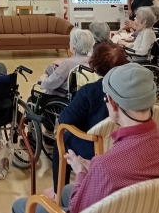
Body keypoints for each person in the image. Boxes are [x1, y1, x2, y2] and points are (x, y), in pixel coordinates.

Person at [12, 63, 159, 213]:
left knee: (21, 205)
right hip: (147, 206)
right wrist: (93, 169)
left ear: (112, 102)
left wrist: (81, 172)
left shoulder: (105, 165)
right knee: (66, 191)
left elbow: (77, 208)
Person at [44, 42, 129, 201]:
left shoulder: (89, 91)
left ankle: (58, 192)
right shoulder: (130, 90)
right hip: (123, 143)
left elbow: (65, 119)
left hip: (94, 146)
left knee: (60, 140)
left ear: (96, 66)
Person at [40, 29, 95, 95]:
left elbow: (51, 83)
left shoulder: (67, 64)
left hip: (65, 97)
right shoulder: (94, 61)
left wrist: (43, 79)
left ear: (74, 47)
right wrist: (63, 64)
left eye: (70, 41)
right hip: (87, 95)